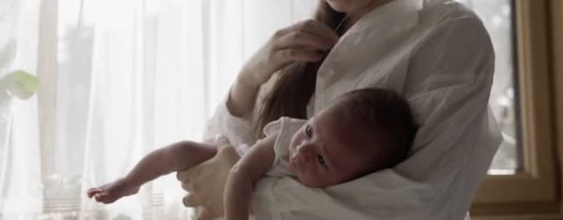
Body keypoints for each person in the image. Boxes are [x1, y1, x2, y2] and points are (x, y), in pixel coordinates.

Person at [177, 0, 503, 219]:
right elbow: (209, 169)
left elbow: (419, 203)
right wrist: (247, 81)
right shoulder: (307, 44)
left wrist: (241, 189)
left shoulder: (449, 34)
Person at [86, 89, 417, 212]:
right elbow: (240, 172)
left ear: (351, 179)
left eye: (321, 159)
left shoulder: (341, 195)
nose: (303, 149)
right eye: (311, 130)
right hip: (234, 161)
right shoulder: (286, 137)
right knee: (185, 150)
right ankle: (129, 182)